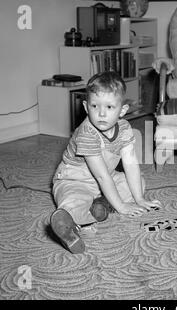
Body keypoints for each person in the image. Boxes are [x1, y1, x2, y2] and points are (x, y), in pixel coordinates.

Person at [50, 71, 162, 254]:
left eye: (110, 107)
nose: (101, 113)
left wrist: (140, 199)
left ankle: (102, 204)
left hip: (106, 178)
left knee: (137, 183)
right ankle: (69, 223)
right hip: (75, 180)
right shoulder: (87, 133)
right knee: (74, 201)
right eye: (95, 106)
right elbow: (101, 177)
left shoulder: (125, 128)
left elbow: (131, 164)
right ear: (86, 107)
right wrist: (122, 207)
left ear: (122, 110)